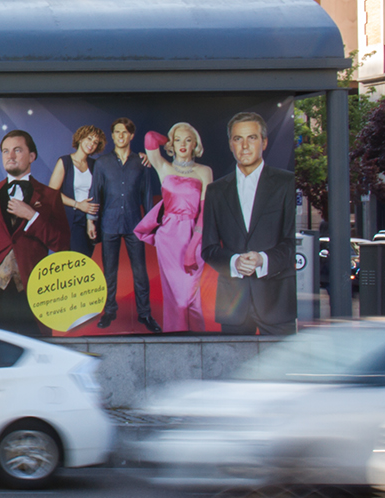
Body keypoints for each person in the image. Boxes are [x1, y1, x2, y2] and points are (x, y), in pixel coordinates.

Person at [201, 111, 298, 336]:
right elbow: (209, 248)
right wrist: (234, 262)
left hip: (277, 304)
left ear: (264, 142)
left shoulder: (287, 183)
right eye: (238, 139)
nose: (244, 146)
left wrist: (263, 260)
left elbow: (292, 241)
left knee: (278, 371)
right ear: (230, 145)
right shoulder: (215, 190)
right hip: (233, 307)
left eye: (251, 138)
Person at [0, 129, 70, 338]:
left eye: (17, 150)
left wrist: (32, 216)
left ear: (32, 156)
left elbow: (62, 244)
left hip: (35, 292)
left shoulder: (51, 196)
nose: (11, 156)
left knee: (37, 352)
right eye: (6, 151)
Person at [134, 123, 215, 333]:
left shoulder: (204, 171)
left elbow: (205, 214)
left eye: (188, 140)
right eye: (178, 139)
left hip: (194, 236)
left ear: (195, 145)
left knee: (189, 297)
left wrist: (192, 247)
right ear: (171, 143)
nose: (182, 144)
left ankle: (198, 340)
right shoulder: (163, 167)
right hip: (168, 238)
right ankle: (175, 338)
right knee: (176, 299)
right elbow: (151, 137)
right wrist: (168, 138)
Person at [94, 117, 160, 332]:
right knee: (109, 271)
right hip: (109, 223)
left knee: (140, 271)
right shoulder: (102, 163)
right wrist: (91, 222)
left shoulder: (141, 163)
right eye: (116, 132)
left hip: (135, 223)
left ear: (131, 136)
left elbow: (148, 195)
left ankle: (145, 314)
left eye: (125, 132)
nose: (120, 136)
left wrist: (150, 224)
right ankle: (109, 311)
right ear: (112, 136)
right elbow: (95, 194)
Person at [48, 125, 104, 256]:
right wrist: (78, 204)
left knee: (85, 262)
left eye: (95, 142)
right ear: (80, 139)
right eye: (89, 139)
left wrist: (90, 220)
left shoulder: (95, 165)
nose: (91, 144)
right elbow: (52, 193)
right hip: (70, 219)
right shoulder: (65, 161)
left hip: (89, 219)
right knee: (73, 262)